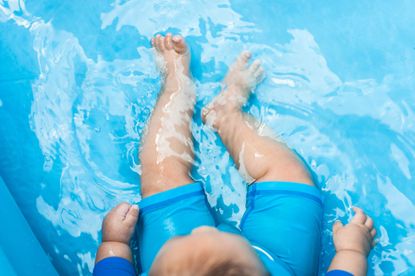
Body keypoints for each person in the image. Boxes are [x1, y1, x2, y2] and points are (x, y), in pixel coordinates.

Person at [93, 33, 376, 276]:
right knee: (291, 175)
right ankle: (226, 114)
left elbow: (112, 263)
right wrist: (353, 248)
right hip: (277, 261)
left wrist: (114, 243)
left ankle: (175, 85)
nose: (203, 229)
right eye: (211, 233)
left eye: (190, 235)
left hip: (201, 260)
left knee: (160, 174)